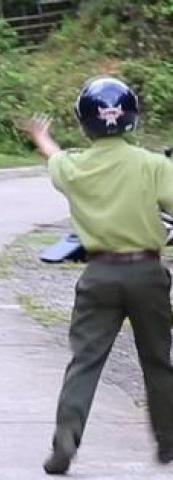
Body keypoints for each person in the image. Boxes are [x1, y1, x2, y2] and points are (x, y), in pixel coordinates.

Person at [19, 75, 173, 475]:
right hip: (147, 272)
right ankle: (168, 440)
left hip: (99, 274)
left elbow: (54, 158)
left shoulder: (75, 167)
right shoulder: (155, 165)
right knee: (157, 360)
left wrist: (41, 135)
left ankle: (66, 441)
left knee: (85, 361)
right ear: (132, 119)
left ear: (85, 122)